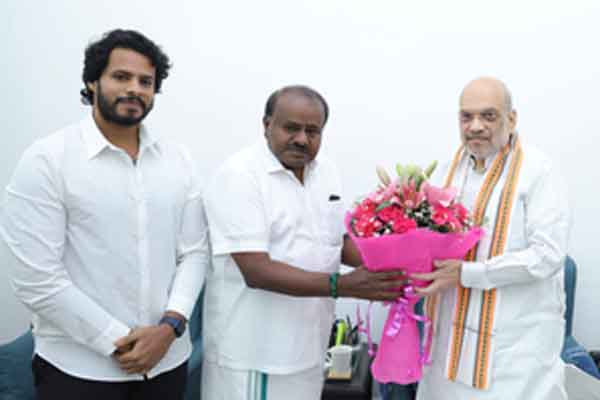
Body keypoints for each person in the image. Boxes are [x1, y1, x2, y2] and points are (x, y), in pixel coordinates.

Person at [0, 29, 208, 400]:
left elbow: (194, 252)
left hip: (167, 362)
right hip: (79, 369)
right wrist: (119, 340)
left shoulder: (179, 160)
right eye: (121, 76)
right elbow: (36, 279)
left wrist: (169, 328)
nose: (134, 89)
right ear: (92, 81)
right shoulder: (47, 159)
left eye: (145, 81)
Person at [201, 85, 405, 400]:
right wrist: (344, 286)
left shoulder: (326, 172)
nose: (301, 139)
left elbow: (336, 241)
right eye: (291, 128)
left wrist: (398, 264)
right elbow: (256, 271)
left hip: (310, 349)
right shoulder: (239, 176)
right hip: (256, 356)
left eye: (312, 131)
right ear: (267, 125)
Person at [411, 77, 570, 399]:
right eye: (466, 116)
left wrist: (468, 273)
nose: (475, 126)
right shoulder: (446, 171)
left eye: (488, 116)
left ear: (512, 119)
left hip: (514, 350)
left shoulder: (538, 171)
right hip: (448, 342)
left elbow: (548, 255)